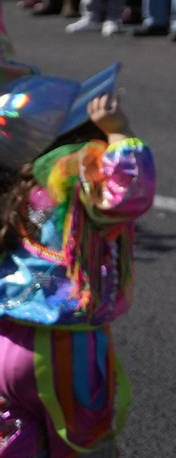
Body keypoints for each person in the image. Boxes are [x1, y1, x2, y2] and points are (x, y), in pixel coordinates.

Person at [0, 81, 154, 458]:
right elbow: (126, 192)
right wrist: (120, 131)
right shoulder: (74, 181)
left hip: (6, 340)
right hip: (64, 347)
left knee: (17, 438)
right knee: (83, 443)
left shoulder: (18, 187)